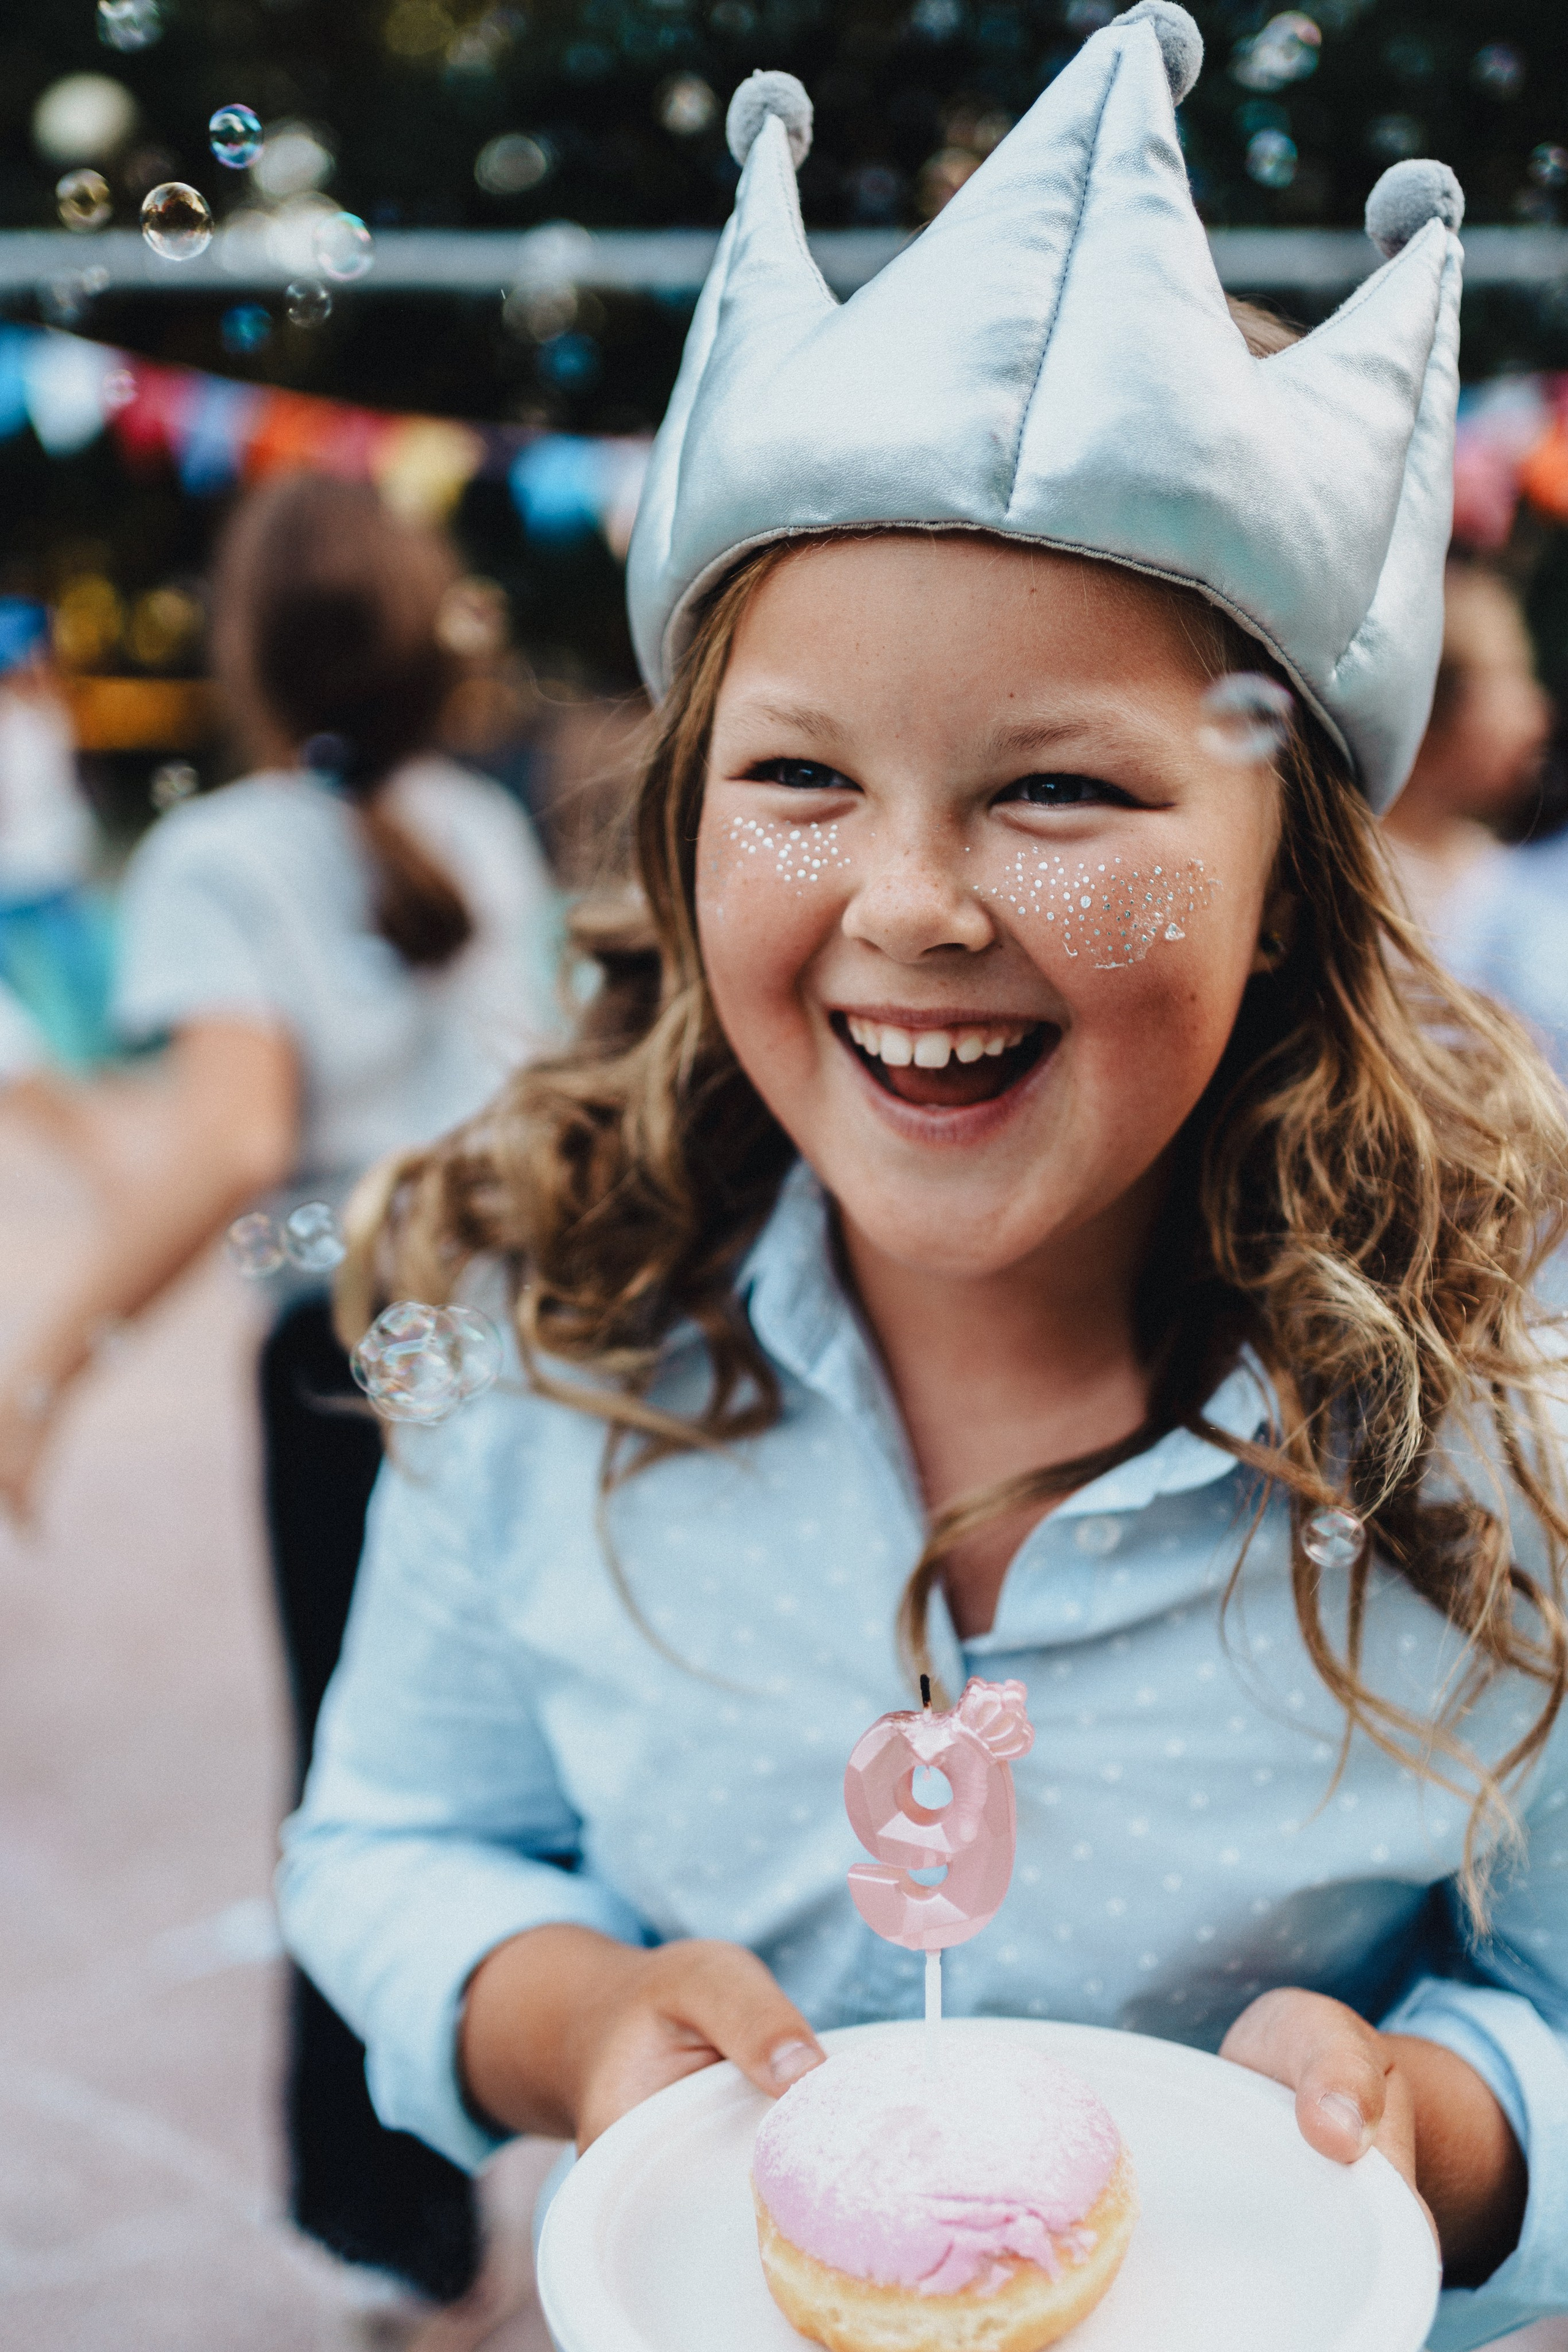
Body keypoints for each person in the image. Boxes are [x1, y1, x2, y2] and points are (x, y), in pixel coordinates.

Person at [281, 20, 1567, 2349]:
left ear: (1288, 881)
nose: (906, 900)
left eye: (1058, 794)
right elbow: (386, 1843)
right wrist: (567, 2022)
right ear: (680, 831)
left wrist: (1431, 2123)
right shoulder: (544, 1342)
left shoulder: (1508, 1449)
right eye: (796, 774)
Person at [0, 470, 559, 2306]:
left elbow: (241, 1141)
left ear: (246, 654)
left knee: (361, 1786)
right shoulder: (479, 830)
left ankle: (388, 2228)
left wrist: (52, 1350)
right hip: (510, 1344)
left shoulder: (224, 850)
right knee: (503, 1756)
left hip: (346, 1354)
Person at [1381, 560, 1568, 1069]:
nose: (1538, 713)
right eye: (1514, 676)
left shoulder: (1509, 872)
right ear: (1429, 700)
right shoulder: (1354, 880)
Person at [0, 597, 115, 1071]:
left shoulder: (48, 711)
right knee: (37, 991)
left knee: (73, 983)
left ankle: (77, 1068)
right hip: (20, 875)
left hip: (53, 869)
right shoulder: (15, 719)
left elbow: (64, 791)